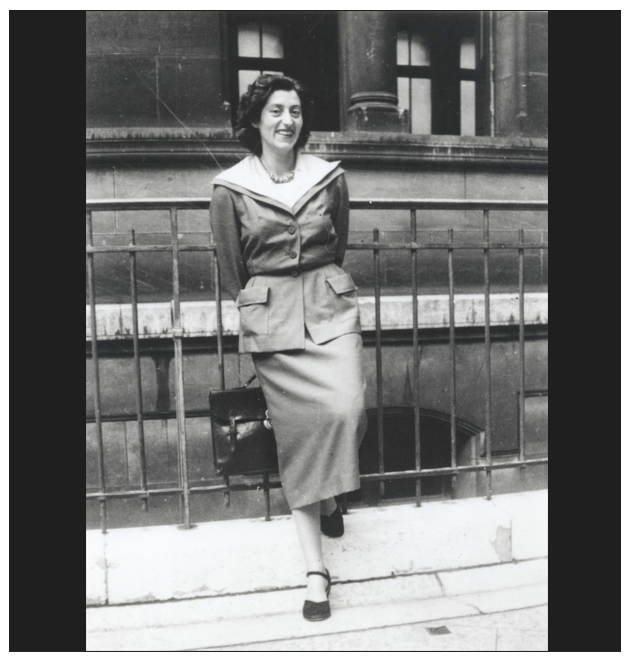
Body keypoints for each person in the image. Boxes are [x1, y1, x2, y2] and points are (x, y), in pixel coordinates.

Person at [209, 74, 367, 622]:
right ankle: (315, 572)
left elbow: (338, 242)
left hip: (328, 307)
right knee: (299, 439)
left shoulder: (329, 178)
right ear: (256, 120)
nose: (286, 121)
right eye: (276, 110)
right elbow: (234, 269)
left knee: (346, 408)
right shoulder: (229, 188)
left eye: (295, 111)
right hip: (274, 322)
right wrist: (266, 306)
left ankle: (329, 496)